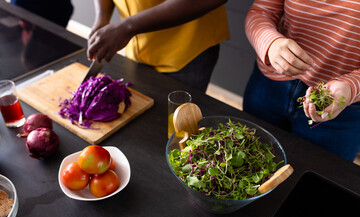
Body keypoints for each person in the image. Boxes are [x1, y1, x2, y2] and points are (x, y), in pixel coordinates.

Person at [244, 0, 360, 162]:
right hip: (270, 86)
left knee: (317, 179)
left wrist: (351, 86)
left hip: (342, 108)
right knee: (247, 161)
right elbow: (261, 12)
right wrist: (271, 43)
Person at [87, 0, 230, 93]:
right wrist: (102, 16)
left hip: (186, 50)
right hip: (137, 47)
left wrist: (127, 27)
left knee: (176, 129)